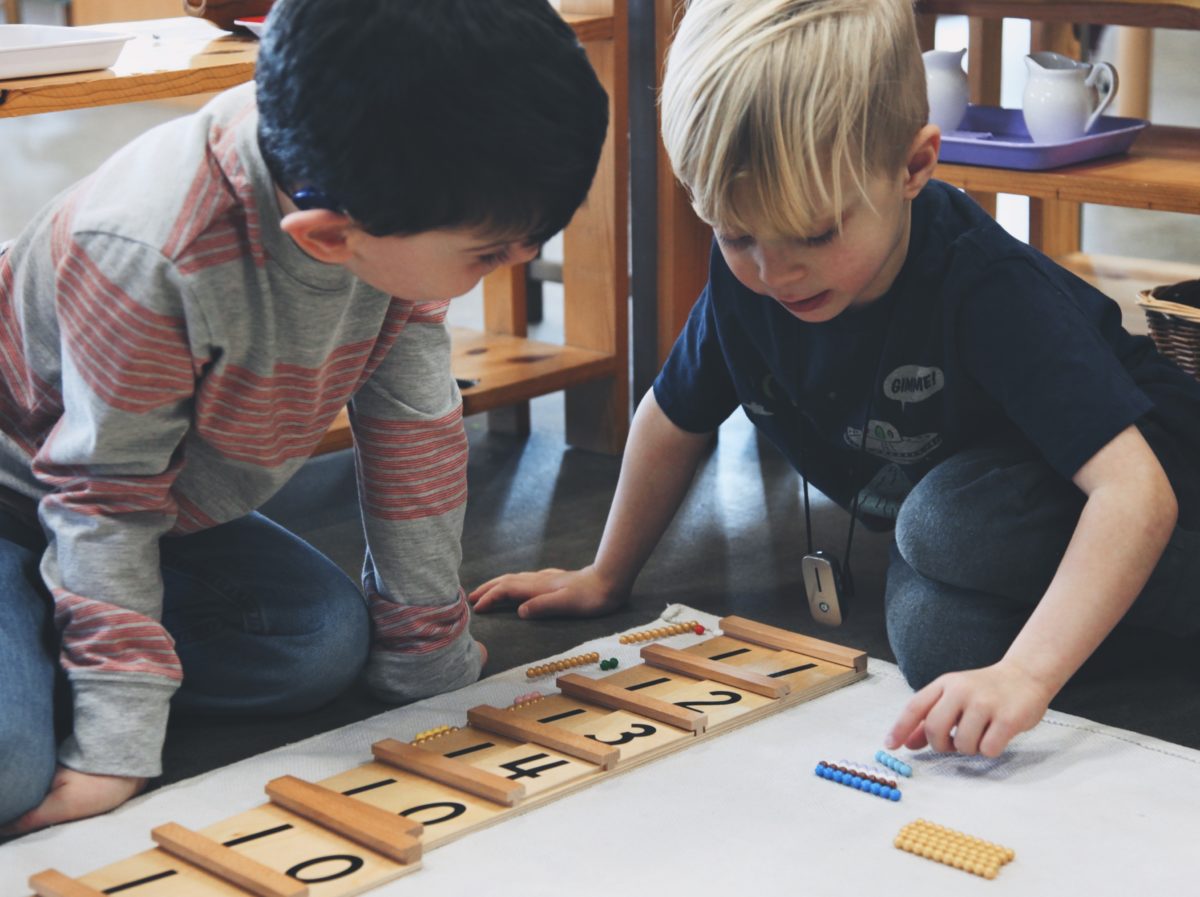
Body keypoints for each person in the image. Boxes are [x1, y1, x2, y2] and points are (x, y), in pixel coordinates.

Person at [471, 0, 1200, 759]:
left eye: (816, 233)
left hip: (1157, 477)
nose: (774, 270)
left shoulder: (985, 285)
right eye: (736, 233)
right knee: (934, 643)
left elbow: (1135, 491)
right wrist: (604, 573)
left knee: (943, 527)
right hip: (996, 511)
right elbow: (672, 415)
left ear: (913, 167)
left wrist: (1026, 673)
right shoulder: (748, 284)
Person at [0, 0, 607, 835]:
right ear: (326, 237)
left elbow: (414, 432)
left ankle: (70, 632)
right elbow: (104, 503)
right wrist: (114, 746)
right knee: (10, 765)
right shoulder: (148, 250)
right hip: (35, 495)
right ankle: (76, 641)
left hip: (155, 507)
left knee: (317, 646)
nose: (522, 260)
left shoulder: (388, 190)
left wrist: (429, 654)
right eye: (490, 253)